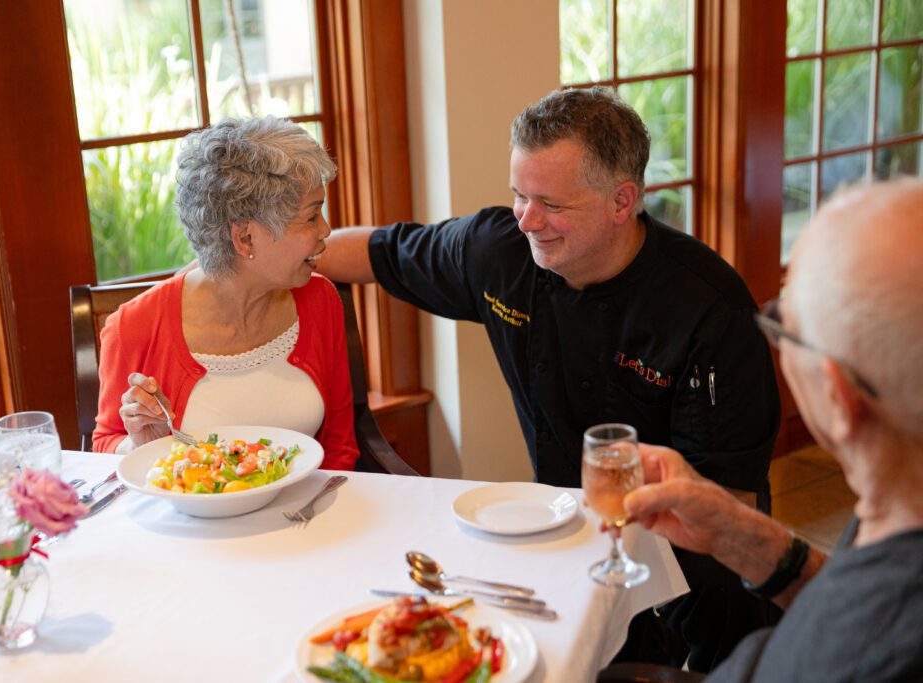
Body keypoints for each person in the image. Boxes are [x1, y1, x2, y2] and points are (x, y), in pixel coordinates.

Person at [317, 87, 781, 669]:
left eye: (551, 204)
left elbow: (727, 501)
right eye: (518, 195)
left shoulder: (710, 311)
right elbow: (380, 253)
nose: (527, 220)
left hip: (705, 557)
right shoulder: (499, 252)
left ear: (622, 201)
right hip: (574, 547)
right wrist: (244, 265)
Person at [624, 178, 923, 681]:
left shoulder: (855, 654)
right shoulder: (898, 518)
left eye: (783, 324)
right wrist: (741, 535)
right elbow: (850, 597)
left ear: (838, 397)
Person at [92, 117, 358, 471]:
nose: (325, 230)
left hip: (305, 519)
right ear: (245, 237)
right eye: (311, 217)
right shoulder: (134, 327)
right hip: (190, 525)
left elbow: (341, 446)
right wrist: (138, 445)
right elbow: (103, 445)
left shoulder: (319, 300)